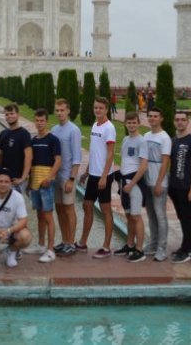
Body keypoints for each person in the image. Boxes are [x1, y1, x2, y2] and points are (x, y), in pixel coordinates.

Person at [78, 97, 116, 258]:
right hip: (93, 174)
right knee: (87, 205)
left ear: (106, 109)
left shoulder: (109, 128)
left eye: (101, 108)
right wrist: (87, 171)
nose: (98, 110)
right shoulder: (95, 125)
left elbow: (110, 153)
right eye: (96, 108)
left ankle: (106, 247)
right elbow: (94, 152)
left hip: (103, 176)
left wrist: (104, 176)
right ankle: (82, 242)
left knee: (106, 210)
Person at [27, 108, 62, 263]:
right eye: (37, 120)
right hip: (35, 181)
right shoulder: (33, 141)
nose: (39, 123)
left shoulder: (53, 139)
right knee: (39, 214)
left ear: (46, 121)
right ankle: (41, 245)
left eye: (42, 121)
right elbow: (31, 162)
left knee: (48, 215)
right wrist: (29, 181)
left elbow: (58, 160)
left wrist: (50, 177)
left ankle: (50, 249)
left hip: (46, 182)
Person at [115, 111, 148, 263]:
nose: (131, 125)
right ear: (125, 124)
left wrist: (132, 184)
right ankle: (130, 244)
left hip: (134, 184)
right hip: (124, 182)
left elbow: (142, 166)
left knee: (136, 216)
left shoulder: (141, 141)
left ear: (138, 123)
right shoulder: (126, 139)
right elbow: (125, 161)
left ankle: (140, 250)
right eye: (129, 123)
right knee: (128, 216)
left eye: (134, 122)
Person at [51, 98, 82, 256]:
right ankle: (64, 241)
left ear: (68, 111)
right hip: (56, 176)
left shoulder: (73, 130)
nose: (60, 113)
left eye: (62, 110)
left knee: (69, 209)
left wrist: (72, 178)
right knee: (59, 209)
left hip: (67, 176)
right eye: (57, 110)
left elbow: (77, 157)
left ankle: (71, 242)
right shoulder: (54, 129)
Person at [169, 111, 191, 264]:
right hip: (174, 187)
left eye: (183, 120)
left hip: (186, 187)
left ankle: (187, 248)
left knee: (187, 218)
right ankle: (187, 246)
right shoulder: (173, 141)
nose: (180, 122)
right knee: (181, 217)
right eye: (177, 120)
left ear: (188, 122)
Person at [143, 106, 171, 262]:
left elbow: (165, 162)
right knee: (151, 214)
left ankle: (162, 248)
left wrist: (160, 182)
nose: (152, 118)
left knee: (160, 215)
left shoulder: (164, 138)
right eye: (150, 116)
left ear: (161, 118)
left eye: (155, 116)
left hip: (158, 181)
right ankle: (153, 244)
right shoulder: (146, 135)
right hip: (147, 181)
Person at [0, 104, 32, 194]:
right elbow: (1, 155)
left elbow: (28, 157)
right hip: (5, 179)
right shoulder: (3, 133)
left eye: (12, 113)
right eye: (7, 114)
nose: (9, 116)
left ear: (18, 115)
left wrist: (23, 178)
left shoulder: (24, 134)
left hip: (17, 179)